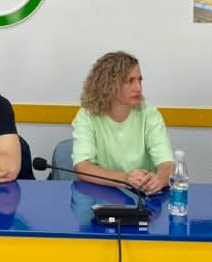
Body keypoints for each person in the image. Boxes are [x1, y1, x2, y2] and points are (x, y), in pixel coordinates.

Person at [70, 51, 174, 194]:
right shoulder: (87, 116)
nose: (138, 88)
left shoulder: (150, 115)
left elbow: (167, 164)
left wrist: (159, 180)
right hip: (102, 195)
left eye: (140, 80)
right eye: (130, 81)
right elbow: (82, 167)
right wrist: (124, 178)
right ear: (108, 84)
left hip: (144, 196)